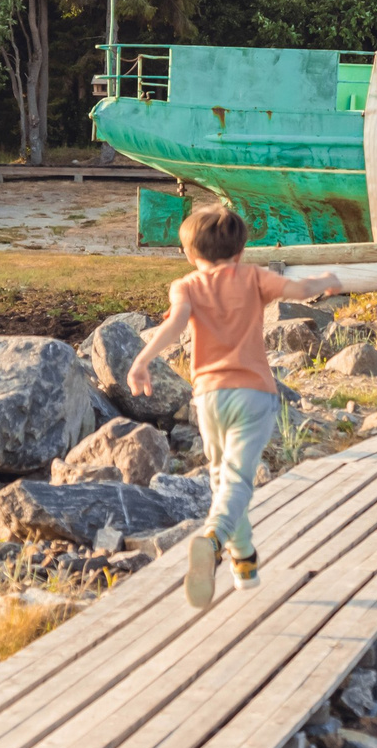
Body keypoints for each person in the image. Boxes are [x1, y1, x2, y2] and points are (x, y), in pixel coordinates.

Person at [127, 204, 345, 607]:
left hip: (209, 396)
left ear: (191, 255)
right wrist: (325, 279)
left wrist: (142, 359)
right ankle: (213, 540)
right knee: (239, 481)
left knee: (222, 479)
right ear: (242, 251)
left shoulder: (186, 286)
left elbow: (174, 326)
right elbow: (300, 290)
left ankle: (243, 559)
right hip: (254, 393)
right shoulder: (254, 277)